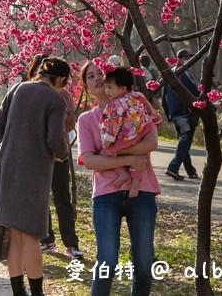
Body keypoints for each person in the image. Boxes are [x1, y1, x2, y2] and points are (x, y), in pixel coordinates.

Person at [78, 60, 160, 296]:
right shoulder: (87, 120)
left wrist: (116, 153)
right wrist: (129, 160)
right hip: (106, 195)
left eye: (100, 73)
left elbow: (152, 142)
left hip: (142, 190)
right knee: (107, 262)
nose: (97, 78)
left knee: (144, 265)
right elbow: (90, 161)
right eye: (90, 76)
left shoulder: (134, 105)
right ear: (86, 87)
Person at [0, 57, 72, 296]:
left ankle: (18, 291)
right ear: (60, 80)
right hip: (34, 170)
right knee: (31, 235)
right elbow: (55, 140)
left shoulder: (18, 88)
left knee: (14, 233)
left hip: (7, 165)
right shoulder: (55, 100)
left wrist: (12, 146)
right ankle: (37, 292)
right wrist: (62, 155)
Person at [28, 54, 83, 260]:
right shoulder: (28, 93)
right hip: (37, 153)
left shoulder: (62, 95)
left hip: (58, 152)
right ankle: (46, 239)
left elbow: (70, 120)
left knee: (62, 197)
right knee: (41, 198)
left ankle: (71, 242)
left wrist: (56, 130)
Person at [100, 67, 163, 197]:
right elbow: (150, 109)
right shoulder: (139, 96)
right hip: (141, 131)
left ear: (123, 88)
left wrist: (109, 139)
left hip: (126, 136)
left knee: (109, 152)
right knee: (141, 156)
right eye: (106, 87)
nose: (107, 91)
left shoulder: (116, 104)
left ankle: (122, 173)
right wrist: (156, 120)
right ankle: (135, 183)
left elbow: (114, 123)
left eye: (110, 87)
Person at [162, 49, 201, 181]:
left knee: (184, 142)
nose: (189, 60)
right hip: (185, 114)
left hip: (176, 115)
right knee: (184, 142)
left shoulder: (170, 75)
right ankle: (172, 168)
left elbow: (163, 99)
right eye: (186, 58)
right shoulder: (182, 75)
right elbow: (195, 92)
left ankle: (191, 171)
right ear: (179, 58)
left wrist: (169, 115)